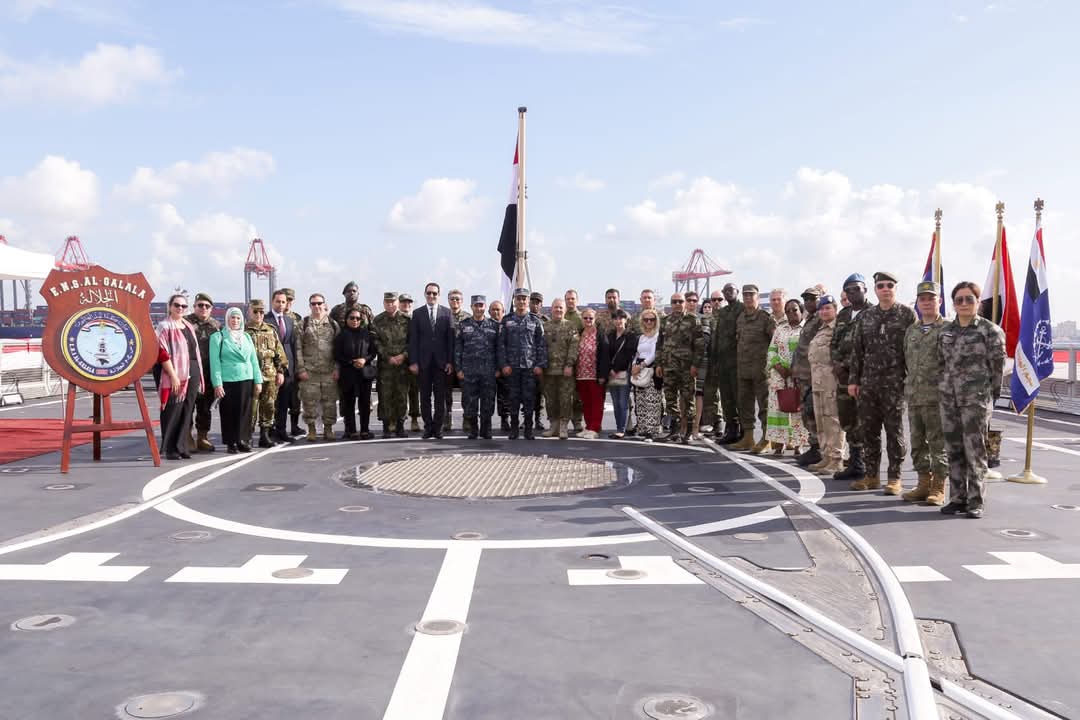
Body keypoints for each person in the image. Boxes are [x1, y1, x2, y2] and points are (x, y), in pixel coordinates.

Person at [939, 281, 1005, 519]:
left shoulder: (990, 331)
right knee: (953, 449)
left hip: (975, 401)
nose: (964, 304)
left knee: (975, 451)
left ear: (978, 303)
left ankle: (976, 501)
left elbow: (997, 369)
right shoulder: (946, 332)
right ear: (953, 304)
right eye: (959, 300)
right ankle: (958, 498)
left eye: (969, 299)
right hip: (949, 399)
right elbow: (941, 364)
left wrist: (989, 396)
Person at [848, 271, 917, 493]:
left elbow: (913, 350)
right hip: (868, 384)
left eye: (889, 285)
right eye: (881, 286)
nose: (885, 289)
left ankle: (895, 478)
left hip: (895, 384)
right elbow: (857, 350)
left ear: (895, 288)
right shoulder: (866, 316)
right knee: (869, 432)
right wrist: (853, 380)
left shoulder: (907, 315)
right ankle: (871, 476)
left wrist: (912, 381)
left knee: (894, 433)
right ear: (875, 290)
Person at [903, 281, 950, 505]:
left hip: (937, 397)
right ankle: (923, 483)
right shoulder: (912, 330)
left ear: (939, 301)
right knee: (917, 442)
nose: (927, 302)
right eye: (922, 299)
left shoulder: (948, 329)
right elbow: (906, 360)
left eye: (931, 298)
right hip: (914, 396)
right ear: (918, 303)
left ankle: (938, 486)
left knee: (938, 443)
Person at [831, 274, 870, 482]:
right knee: (847, 419)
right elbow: (834, 343)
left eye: (857, 288)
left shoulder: (872, 313)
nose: (852, 293)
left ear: (865, 290)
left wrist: (848, 366)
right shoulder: (843, 314)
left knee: (865, 422)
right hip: (843, 378)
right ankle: (855, 463)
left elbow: (871, 347)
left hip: (864, 377)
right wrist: (836, 364)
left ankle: (867, 466)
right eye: (849, 290)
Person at [156, 294, 204, 460]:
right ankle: (170, 448)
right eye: (177, 305)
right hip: (175, 372)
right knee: (173, 409)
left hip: (192, 369)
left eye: (183, 306)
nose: (180, 308)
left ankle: (182, 446)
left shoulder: (188, 326)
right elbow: (162, 353)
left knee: (187, 409)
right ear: (170, 306)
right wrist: (173, 376)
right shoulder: (164, 326)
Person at [209, 307, 263, 454]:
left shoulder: (246, 337)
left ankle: (242, 440)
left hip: (246, 378)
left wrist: (258, 380)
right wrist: (217, 384)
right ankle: (230, 442)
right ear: (227, 319)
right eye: (232, 317)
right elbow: (215, 363)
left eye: (238, 318)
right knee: (229, 412)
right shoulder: (218, 337)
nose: (235, 321)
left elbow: (253, 360)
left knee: (245, 412)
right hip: (228, 379)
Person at [731, 285, 776, 452]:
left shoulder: (765, 318)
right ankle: (748, 438)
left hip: (760, 370)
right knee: (744, 404)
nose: (748, 298)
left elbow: (775, 342)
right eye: (745, 295)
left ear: (757, 297)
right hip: (743, 369)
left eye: (751, 295)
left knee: (765, 406)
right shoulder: (741, 318)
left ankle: (767, 439)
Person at [498, 287, 547, 440]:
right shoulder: (506, 320)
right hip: (512, 368)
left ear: (528, 301)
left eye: (524, 299)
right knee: (513, 399)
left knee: (529, 400)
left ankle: (528, 429)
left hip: (529, 368)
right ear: (515, 300)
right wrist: (504, 364)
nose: (521, 301)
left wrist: (540, 365)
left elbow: (541, 345)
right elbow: (501, 345)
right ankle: (514, 429)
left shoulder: (535, 321)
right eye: (518, 298)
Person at [409, 282, 455, 439]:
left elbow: (450, 340)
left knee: (440, 397)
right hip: (423, 362)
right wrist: (413, 362)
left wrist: (450, 362)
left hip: (441, 363)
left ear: (438, 295)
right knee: (425, 397)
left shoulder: (447, 313)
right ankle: (428, 428)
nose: (431, 296)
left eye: (434, 293)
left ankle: (438, 428)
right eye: (429, 293)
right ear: (425, 294)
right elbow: (413, 340)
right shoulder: (417, 313)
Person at [763, 298, 809, 454]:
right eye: (788, 311)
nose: (791, 313)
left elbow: (808, 352)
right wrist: (779, 367)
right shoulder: (780, 329)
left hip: (798, 376)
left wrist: (793, 370)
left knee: (798, 410)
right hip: (780, 377)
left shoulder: (806, 329)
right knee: (779, 409)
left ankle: (798, 444)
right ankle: (780, 443)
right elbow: (771, 350)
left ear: (801, 311)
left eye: (794, 310)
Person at [658, 292, 703, 444]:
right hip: (669, 367)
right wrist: (659, 363)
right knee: (670, 399)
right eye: (674, 302)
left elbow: (699, 345)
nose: (677, 304)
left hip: (686, 368)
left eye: (680, 301)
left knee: (688, 399)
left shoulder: (693, 320)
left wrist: (695, 365)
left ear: (684, 303)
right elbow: (660, 344)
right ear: (671, 304)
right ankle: (675, 430)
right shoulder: (665, 321)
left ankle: (688, 432)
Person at [807, 295, 845, 474]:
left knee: (833, 421)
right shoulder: (821, 329)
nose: (824, 311)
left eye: (828, 308)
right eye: (822, 309)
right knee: (821, 420)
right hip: (818, 382)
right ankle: (827, 456)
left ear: (835, 310)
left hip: (831, 382)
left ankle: (837, 459)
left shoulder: (838, 329)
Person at [296, 293, 340, 442]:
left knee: (330, 402)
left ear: (324, 304)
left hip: (329, 371)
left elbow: (339, 349)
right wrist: (301, 369)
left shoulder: (333, 324)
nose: (317, 306)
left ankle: (328, 429)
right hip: (310, 371)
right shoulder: (303, 324)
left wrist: (337, 368)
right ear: (310, 306)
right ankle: (312, 429)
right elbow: (298, 348)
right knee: (309, 402)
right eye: (313, 304)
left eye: (319, 303)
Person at [455, 295, 500, 439]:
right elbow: (458, 349)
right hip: (469, 371)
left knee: (488, 402)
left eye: (481, 305)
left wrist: (498, 368)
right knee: (470, 402)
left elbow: (499, 349)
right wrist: (458, 369)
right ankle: (473, 429)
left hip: (489, 371)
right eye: (476, 305)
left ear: (485, 307)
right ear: (471, 307)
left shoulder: (494, 325)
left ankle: (486, 429)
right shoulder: (463, 325)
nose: (479, 308)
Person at [245, 299, 287, 448]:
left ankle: (265, 436)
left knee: (269, 406)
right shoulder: (244, 331)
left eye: (261, 312)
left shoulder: (271, 330)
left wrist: (280, 371)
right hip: (250, 376)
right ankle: (247, 437)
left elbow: (279, 353)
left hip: (269, 375)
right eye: (255, 311)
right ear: (249, 312)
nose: (259, 314)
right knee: (251, 408)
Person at [792, 287, 824, 467]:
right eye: (806, 299)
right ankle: (814, 446)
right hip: (803, 374)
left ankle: (818, 448)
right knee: (806, 412)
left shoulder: (820, 318)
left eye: (813, 299)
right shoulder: (810, 319)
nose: (809, 302)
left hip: (814, 374)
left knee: (813, 411)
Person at [336, 305, 378, 440]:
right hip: (348, 373)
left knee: (365, 403)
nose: (355, 320)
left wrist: (364, 360)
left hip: (364, 373)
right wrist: (351, 361)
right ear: (346, 319)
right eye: (352, 318)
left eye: (358, 318)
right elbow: (337, 354)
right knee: (349, 403)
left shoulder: (367, 334)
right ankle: (352, 431)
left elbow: (373, 352)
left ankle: (365, 430)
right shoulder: (341, 336)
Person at [185, 292, 220, 453]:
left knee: (205, 408)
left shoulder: (216, 326)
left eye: (207, 306)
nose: (203, 308)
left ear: (211, 309)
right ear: (194, 306)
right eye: (200, 305)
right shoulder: (185, 323)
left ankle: (202, 437)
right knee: (188, 406)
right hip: (190, 371)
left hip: (208, 373)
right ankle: (187, 436)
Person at [372, 292, 411, 438]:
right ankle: (386, 427)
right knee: (385, 396)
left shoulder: (407, 320)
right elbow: (375, 341)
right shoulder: (378, 320)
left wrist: (403, 355)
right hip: (385, 365)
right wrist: (388, 357)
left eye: (392, 302)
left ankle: (400, 426)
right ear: (384, 303)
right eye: (387, 302)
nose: (390, 304)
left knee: (401, 395)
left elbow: (412, 341)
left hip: (402, 365)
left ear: (397, 303)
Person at [542, 298, 580, 439]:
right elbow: (540, 347)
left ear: (564, 310)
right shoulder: (545, 327)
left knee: (565, 399)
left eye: (560, 308)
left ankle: (563, 426)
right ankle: (554, 425)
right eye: (556, 307)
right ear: (551, 309)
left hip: (565, 371)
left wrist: (569, 364)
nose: (558, 310)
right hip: (548, 371)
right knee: (550, 399)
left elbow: (574, 346)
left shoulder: (570, 326)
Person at [710, 283, 743, 443]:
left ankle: (744, 431)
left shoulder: (742, 309)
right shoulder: (722, 312)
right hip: (722, 361)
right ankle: (731, 429)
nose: (729, 293)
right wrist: (715, 359)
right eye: (726, 291)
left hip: (736, 361)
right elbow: (717, 336)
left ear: (737, 292)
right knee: (726, 398)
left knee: (739, 398)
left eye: (731, 290)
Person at [268, 289, 300, 443]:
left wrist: (294, 367)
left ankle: (282, 431)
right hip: (271, 367)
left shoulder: (289, 321)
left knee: (284, 402)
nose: (280, 304)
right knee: (270, 402)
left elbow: (292, 344)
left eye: (283, 302)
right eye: (278, 301)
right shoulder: (266, 320)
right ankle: (269, 432)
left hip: (288, 367)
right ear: (272, 302)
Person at [575, 308, 610, 439]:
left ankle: (595, 428)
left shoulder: (600, 334)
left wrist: (602, 375)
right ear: (582, 319)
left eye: (591, 318)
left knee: (596, 402)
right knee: (586, 402)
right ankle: (588, 426)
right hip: (581, 374)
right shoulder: (580, 333)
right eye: (585, 318)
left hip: (595, 375)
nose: (588, 320)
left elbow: (605, 356)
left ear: (595, 319)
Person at [632, 308, 663, 441]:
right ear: (642, 321)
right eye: (646, 320)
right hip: (639, 370)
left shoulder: (658, 336)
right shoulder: (641, 337)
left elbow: (654, 354)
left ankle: (652, 431)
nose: (649, 322)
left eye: (652, 319)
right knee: (641, 401)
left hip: (651, 369)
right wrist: (634, 366)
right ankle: (643, 429)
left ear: (656, 321)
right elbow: (637, 353)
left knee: (652, 401)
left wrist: (641, 366)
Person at [606, 309, 637, 438]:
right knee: (615, 402)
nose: (618, 321)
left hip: (624, 372)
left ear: (626, 320)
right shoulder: (610, 335)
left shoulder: (630, 336)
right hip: (611, 373)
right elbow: (606, 353)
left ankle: (621, 429)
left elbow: (628, 354)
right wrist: (609, 369)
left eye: (621, 318)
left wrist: (616, 369)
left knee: (622, 402)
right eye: (616, 318)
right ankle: (618, 427)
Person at [445, 289, 470, 432]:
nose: (455, 301)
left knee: (467, 393)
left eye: (457, 299)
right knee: (445, 393)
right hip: (447, 361)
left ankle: (467, 419)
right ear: (448, 300)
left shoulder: (468, 318)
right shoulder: (443, 316)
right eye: (452, 299)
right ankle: (447, 419)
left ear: (462, 301)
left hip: (464, 362)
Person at [700, 288, 725, 432]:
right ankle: (716, 422)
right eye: (713, 300)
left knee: (729, 395)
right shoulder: (705, 319)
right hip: (711, 361)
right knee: (711, 393)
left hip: (727, 360)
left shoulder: (729, 316)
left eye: (719, 299)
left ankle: (734, 426)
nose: (716, 302)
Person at [281, 288, 304, 437]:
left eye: (290, 300)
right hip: (280, 362)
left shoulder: (297, 318)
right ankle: (279, 428)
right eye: (285, 300)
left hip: (295, 361)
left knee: (295, 398)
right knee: (280, 399)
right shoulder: (273, 317)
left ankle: (294, 426)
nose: (288, 303)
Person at [398, 293, 422, 432]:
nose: (406, 304)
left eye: (409, 302)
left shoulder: (415, 319)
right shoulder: (395, 319)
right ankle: (398, 420)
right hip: (398, 361)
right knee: (399, 392)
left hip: (413, 360)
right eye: (403, 302)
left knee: (414, 391)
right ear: (399, 303)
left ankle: (414, 419)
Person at [563, 289, 585, 433]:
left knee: (578, 394)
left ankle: (577, 421)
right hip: (562, 360)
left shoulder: (581, 318)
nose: (570, 301)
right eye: (568, 299)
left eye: (573, 299)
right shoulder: (562, 315)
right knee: (564, 394)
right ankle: (563, 421)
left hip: (579, 361)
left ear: (577, 300)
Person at [528, 291, 550, 431]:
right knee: (527, 392)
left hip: (541, 362)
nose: (535, 305)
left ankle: (539, 418)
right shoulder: (524, 318)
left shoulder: (546, 321)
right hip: (527, 362)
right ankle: (527, 418)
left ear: (541, 304)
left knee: (540, 392)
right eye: (533, 302)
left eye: (538, 302)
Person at [489, 300, 511, 431]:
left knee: (505, 395)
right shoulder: (485, 326)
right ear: (489, 312)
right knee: (488, 396)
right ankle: (486, 420)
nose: (496, 312)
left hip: (504, 367)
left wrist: (502, 367)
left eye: (498, 310)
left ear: (503, 312)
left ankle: (505, 419)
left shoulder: (508, 326)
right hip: (489, 368)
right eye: (493, 309)